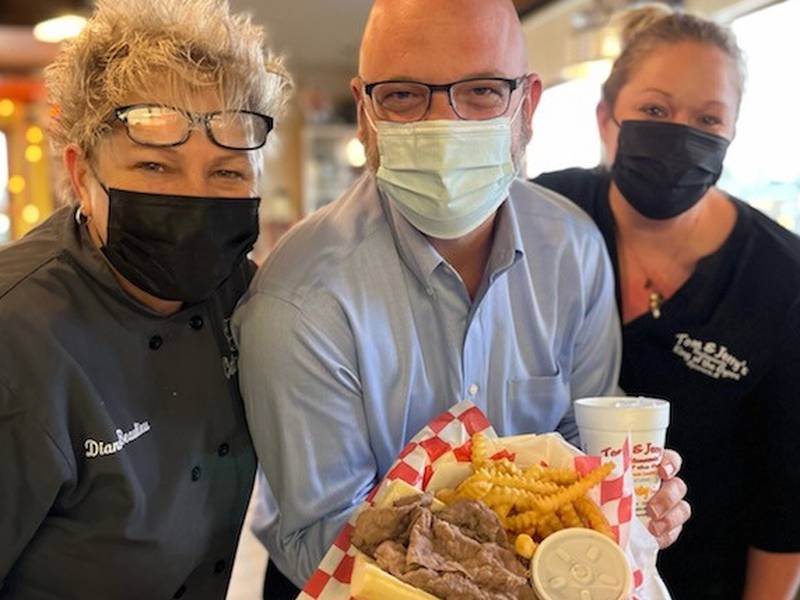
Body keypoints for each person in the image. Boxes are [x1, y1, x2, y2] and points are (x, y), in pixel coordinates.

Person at [235, 0, 690, 594]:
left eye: (480, 91)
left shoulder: (573, 252)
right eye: (403, 95)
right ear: (365, 113)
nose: (443, 124)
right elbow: (323, 539)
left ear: (528, 104)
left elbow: (583, 452)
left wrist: (631, 500)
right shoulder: (299, 300)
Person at [0, 0, 291, 598]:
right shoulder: (16, 337)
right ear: (81, 174)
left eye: (228, 173)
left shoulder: (245, 296)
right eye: (155, 166)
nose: (193, 199)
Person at [533, 5, 800, 599]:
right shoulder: (547, 216)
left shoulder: (780, 279)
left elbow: (786, 505)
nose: (681, 134)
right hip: (540, 569)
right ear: (607, 119)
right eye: (654, 110)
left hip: (701, 580)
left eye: (707, 119)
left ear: (731, 134)